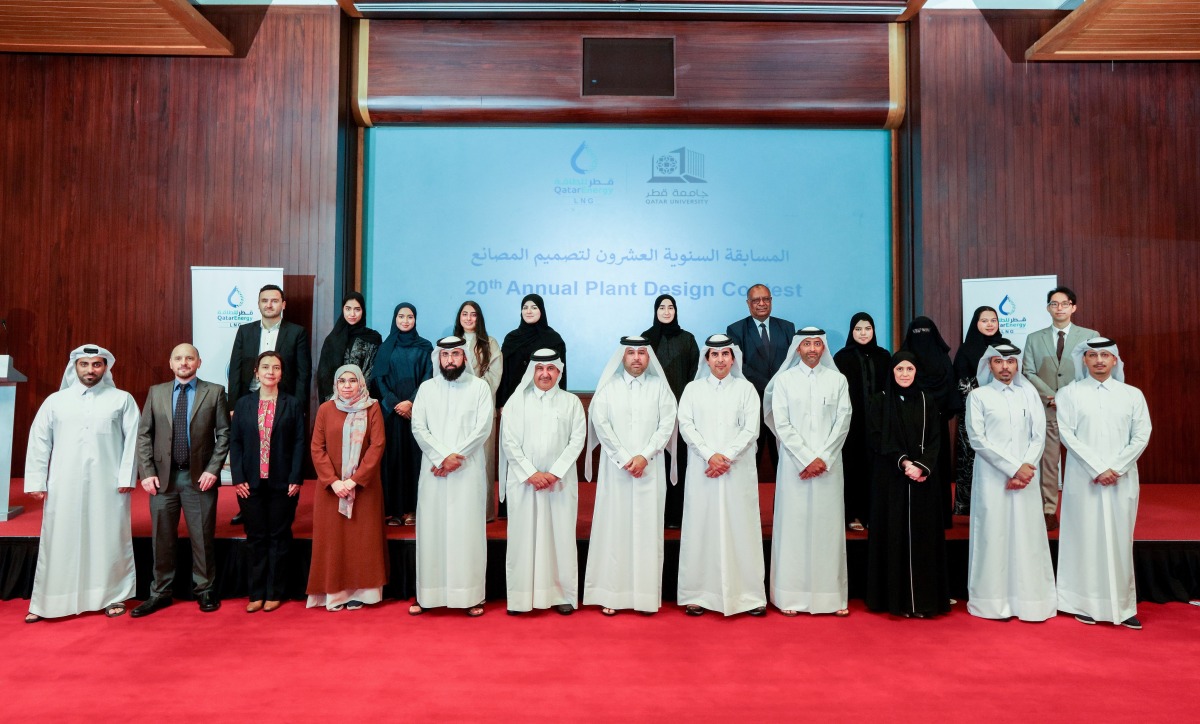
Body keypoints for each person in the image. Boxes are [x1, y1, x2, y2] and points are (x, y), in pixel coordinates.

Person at [23, 345, 140, 622]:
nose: (90, 370)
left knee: (108, 537)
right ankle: (47, 602)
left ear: (105, 367)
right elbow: (39, 441)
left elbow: (133, 441)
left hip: (109, 485)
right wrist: (37, 480)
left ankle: (113, 596)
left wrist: (126, 477)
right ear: (74, 367)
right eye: (85, 364)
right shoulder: (56, 401)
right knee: (59, 537)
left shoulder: (122, 399)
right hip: (64, 483)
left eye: (97, 364)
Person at [1056, 338, 1151, 629]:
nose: (1099, 360)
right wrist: (1098, 469)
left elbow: (1142, 434)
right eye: (1093, 355)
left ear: (1114, 361)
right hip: (1083, 479)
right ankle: (1083, 603)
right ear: (1084, 360)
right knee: (1084, 538)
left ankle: (1122, 607)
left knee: (1120, 540)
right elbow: (1067, 435)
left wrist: (1116, 468)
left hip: (1121, 480)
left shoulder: (1132, 394)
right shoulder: (1069, 393)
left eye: (1105, 355)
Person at [132, 343, 230, 618]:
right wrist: (147, 472)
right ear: (170, 363)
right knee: (161, 538)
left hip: (200, 478)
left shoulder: (215, 392)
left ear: (199, 362)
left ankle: (205, 589)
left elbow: (224, 434)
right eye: (178, 358)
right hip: (163, 480)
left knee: (202, 537)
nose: (184, 362)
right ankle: (160, 592)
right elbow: (144, 435)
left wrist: (214, 469)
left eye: (189, 358)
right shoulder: (157, 392)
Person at [583, 336, 678, 616]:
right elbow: (601, 424)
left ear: (648, 357)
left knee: (648, 530)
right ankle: (613, 593)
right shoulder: (607, 390)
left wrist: (644, 456)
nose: (636, 358)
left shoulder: (660, 388)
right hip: (617, 470)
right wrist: (626, 458)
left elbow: (667, 424)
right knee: (616, 528)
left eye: (641, 353)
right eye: (631, 353)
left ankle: (646, 597)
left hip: (650, 468)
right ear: (622, 357)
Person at [675, 334, 766, 617]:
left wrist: (725, 457)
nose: (720, 360)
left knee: (741, 528)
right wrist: (709, 455)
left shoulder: (746, 389)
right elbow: (686, 425)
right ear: (707, 359)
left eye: (725, 354)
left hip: (736, 471)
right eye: (715, 355)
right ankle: (697, 594)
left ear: (733, 358)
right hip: (704, 471)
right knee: (702, 527)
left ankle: (749, 596)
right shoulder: (693, 389)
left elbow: (751, 429)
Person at [964, 343, 1056, 622]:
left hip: (1027, 478)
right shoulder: (978, 396)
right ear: (989, 365)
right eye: (998, 362)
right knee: (993, 534)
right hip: (993, 477)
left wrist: (1025, 468)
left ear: (1017, 365)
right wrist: (1013, 468)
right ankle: (991, 602)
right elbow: (977, 439)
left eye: (1010, 362)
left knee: (1027, 535)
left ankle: (1030, 601)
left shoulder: (1029, 396)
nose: (1005, 367)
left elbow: (1038, 437)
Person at [764, 327, 852, 617]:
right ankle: (790, 595)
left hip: (828, 466)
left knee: (828, 530)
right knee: (794, 528)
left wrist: (823, 458)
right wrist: (805, 459)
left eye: (817, 344)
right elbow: (781, 423)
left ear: (824, 348)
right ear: (797, 349)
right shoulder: (785, 381)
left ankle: (831, 597)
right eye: (806, 344)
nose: (812, 349)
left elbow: (843, 421)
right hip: (794, 466)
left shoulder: (838, 380)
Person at [408, 336, 495, 617]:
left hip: (466, 472)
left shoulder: (480, 388)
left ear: (465, 358)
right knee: (431, 530)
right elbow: (419, 428)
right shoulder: (426, 389)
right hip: (434, 472)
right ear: (438, 359)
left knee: (466, 532)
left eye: (456, 355)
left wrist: (453, 458)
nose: (450, 360)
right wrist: (440, 457)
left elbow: (482, 428)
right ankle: (428, 596)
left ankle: (470, 596)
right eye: (445, 356)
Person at [499, 348, 586, 615]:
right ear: (532, 372)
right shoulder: (516, 402)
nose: (545, 374)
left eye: (551, 369)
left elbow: (577, 439)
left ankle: (561, 594)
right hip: (524, 483)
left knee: (559, 536)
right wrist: (531, 473)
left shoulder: (571, 402)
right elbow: (509, 442)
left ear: (558, 372)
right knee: (523, 538)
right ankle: (521, 598)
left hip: (558, 484)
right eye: (540, 369)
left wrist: (556, 471)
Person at [864, 351, 950, 619]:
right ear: (891, 372)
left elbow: (936, 439)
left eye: (909, 369)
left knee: (923, 538)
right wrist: (903, 463)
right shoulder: (880, 401)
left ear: (916, 372)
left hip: (924, 480)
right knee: (893, 534)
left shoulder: (927, 400)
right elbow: (877, 438)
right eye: (899, 369)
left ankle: (924, 602)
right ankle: (895, 601)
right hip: (891, 481)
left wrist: (922, 466)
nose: (904, 374)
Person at [227, 283, 311, 526]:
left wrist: (300, 406)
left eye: (275, 300)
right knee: (250, 452)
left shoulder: (296, 332)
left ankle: (280, 505)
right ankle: (248, 507)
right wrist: (233, 405)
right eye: (265, 300)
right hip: (249, 403)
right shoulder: (245, 331)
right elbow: (235, 369)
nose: (269, 304)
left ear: (283, 305)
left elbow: (303, 372)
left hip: (283, 403)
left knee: (277, 455)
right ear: (258, 304)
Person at [229, 351, 306, 613]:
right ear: (256, 372)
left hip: (283, 483)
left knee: (279, 536)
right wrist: (237, 477)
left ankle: (275, 592)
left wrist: (296, 477)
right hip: (250, 483)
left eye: (276, 367)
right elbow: (235, 443)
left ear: (282, 373)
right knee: (256, 537)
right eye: (265, 367)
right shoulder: (243, 404)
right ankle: (256, 592)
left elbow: (299, 443)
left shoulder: (292, 404)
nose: (270, 371)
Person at [306, 364, 388, 612]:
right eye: (342, 381)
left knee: (362, 542)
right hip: (331, 490)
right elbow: (316, 448)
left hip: (365, 487)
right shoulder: (325, 409)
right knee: (333, 542)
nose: (348, 386)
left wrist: (354, 480)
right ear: (335, 385)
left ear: (361, 383)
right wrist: (334, 481)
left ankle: (364, 593)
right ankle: (335, 592)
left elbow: (377, 446)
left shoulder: (372, 407)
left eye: (353, 380)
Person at [1022, 286, 1099, 531]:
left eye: (1064, 304)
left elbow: (1093, 369)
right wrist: (1052, 396)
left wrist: (1067, 396)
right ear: (1048, 308)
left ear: (1073, 307)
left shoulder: (1090, 335)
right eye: (1054, 304)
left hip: (1079, 407)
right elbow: (1029, 371)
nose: (1059, 308)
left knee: (1084, 456)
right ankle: (1048, 509)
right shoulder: (1034, 338)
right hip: (1048, 408)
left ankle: (1086, 508)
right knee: (1049, 461)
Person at [369, 302, 433, 527]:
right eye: (401, 316)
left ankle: (414, 509)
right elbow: (379, 379)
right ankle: (395, 511)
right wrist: (396, 404)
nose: (405, 321)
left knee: (415, 460)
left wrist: (411, 403)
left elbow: (428, 377)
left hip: (416, 412)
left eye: (410, 317)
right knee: (393, 460)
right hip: (392, 413)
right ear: (395, 319)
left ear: (415, 319)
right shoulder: (386, 347)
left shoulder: (425, 347)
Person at [642, 294, 699, 529]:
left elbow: (695, 375)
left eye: (671, 307)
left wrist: (685, 407)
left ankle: (677, 515)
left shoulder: (687, 339)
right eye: (662, 307)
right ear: (655, 311)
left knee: (681, 462)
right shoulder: (645, 339)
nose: (666, 311)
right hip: (652, 414)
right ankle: (656, 513)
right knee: (656, 462)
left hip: (681, 411)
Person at [726, 284, 795, 478]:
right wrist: (770, 385)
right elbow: (739, 365)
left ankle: (782, 506)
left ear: (771, 301)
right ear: (748, 304)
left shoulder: (787, 327)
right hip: (752, 401)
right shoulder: (736, 329)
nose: (762, 304)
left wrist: (777, 388)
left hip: (782, 402)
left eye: (766, 299)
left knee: (783, 457)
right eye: (756, 300)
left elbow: (792, 362)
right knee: (751, 457)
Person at [832, 312, 893, 531]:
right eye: (858, 329)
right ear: (851, 331)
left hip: (878, 424)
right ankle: (853, 514)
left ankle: (874, 514)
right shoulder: (841, 357)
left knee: (877, 468)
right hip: (851, 425)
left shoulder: (884, 356)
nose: (863, 333)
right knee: (853, 467)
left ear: (874, 330)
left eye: (867, 328)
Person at [901, 316, 962, 528]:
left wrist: (938, 413)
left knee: (938, 469)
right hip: (909, 426)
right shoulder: (905, 363)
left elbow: (951, 388)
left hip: (938, 426)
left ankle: (940, 517)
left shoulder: (943, 359)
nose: (922, 338)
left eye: (925, 332)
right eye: (916, 333)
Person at [951, 306, 1004, 516]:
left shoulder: (1006, 347)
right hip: (973, 414)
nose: (990, 324)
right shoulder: (966, 349)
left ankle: (1000, 502)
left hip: (1002, 415)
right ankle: (967, 507)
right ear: (976, 323)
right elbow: (961, 383)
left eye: (994, 320)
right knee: (970, 459)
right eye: (984, 320)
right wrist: (985, 396)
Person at [454, 300, 503, 522]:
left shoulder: (490, 343)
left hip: (483, 409)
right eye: (464, 314)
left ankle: (484, 513)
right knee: (460, 460)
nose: (468, 318)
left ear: (479, 318)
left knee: (482, 462)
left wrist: (475, 392)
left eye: (473, 315)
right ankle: (460, 510)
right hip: (456, 411)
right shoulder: (452, 343)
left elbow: (494, 375)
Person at [496, 293, 567, 408]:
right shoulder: (511, 339)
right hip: (514, 402)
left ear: (541, 311)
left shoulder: (553, 339)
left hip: (546, 402)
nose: (528, 311)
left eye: (534, 307)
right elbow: (504, 375)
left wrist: (561, 403)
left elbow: (561, 375)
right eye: (525, 307)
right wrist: (502, 403)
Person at [315, 292, 383, 404]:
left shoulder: (373, 338)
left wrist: (358, 396)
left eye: (357, 309)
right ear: (343, 310)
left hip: (363, 400)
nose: (352, 314)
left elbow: (373, 369)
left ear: (363, 311)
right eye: (348, 309)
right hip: (336, 402)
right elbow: (324, 374)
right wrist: (338, 399)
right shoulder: (333, 339)